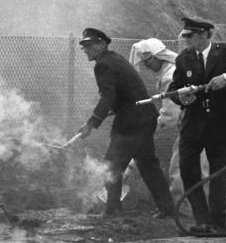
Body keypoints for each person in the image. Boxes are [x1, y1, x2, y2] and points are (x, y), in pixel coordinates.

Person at [125, 38, 226, 215]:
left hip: (194, 126)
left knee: (179, 167)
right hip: (206, 122)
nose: (147, 66)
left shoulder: (170, 76)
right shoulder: (174, 70)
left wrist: (150, 128)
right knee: (209, 166)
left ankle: (184, 209)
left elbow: (171, 116)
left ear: (157, 57)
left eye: (148, 62)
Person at [167, 18, 226, 233]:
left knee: (219, 174)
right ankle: (202, 220)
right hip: (193, 125)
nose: (186, 39)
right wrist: (183, 97)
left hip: (221, 124)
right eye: (185, 36)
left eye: (190, 35)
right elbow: (174, 89)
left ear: (206, 34)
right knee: (189, 171)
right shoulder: (184, 59)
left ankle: (218, 222)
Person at [74, 27, 175, 218]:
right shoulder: (115, 59)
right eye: (84, 46)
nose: (86, 49)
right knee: (148, 165)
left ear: (102, 44)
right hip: (144, 117)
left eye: (89, 45)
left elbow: (107, 97)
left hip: (132, 122)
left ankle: (112, 211)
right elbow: (123, 93)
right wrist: (113, 109)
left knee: (111, 166)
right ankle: (168, 209)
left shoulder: (103, 65)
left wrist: (91, 124)